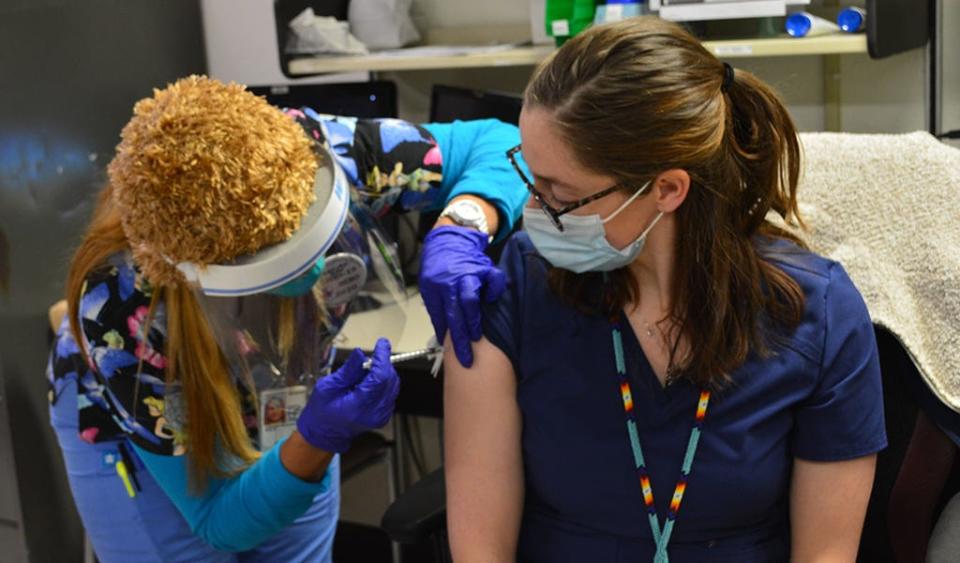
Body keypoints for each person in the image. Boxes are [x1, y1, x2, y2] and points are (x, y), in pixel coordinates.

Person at [444, 18, 887, 563]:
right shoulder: (515, 286)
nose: (533, 211)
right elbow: (479, 551)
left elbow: (826, 554)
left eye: (559, 192)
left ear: (666, 190)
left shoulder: (816, 315)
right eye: (529, 178)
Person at [47, 75, 527, 562]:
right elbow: (218, 520)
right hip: (151, 435)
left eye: (311, 233)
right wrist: (319, 437)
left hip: (286, 392)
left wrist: (462, 225)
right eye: (276, 259)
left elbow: (501, 142)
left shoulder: (318, 152)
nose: (315, 269)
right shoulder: (124, 304)